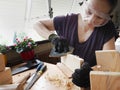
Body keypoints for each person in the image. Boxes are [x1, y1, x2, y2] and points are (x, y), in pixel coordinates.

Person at [34, 0, 118, 89]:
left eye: (99, 17)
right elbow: (38, 24)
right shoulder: (68, 21)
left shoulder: (107, 29)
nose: (90, 21)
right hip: (64, 79)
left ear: (107, 17)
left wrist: (91, 73)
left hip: (87, 85)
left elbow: (108, 66)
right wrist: (53, 37)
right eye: (89, 11)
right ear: (84, 4)